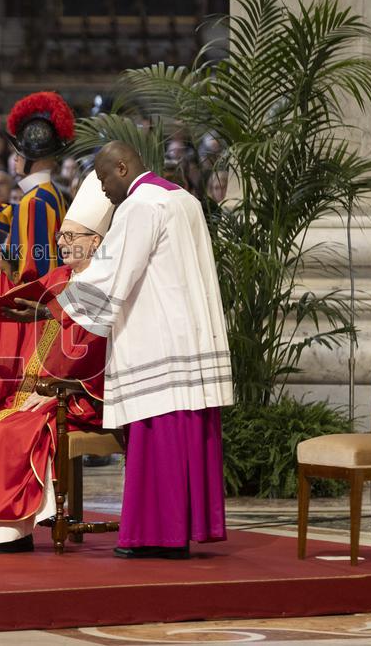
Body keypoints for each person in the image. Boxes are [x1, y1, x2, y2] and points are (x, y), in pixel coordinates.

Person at [47, 142, 233, 558]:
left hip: (157, 338)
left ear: (122, 167)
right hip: (188, 334)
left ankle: (158, 536)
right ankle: (178, 531)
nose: (103, 189)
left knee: (159, 437)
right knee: (181, 433)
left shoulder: (138, 207)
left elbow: (113, 275)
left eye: (102, 177)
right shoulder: (183, 200)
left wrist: (53, 306)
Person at [0, 179, 111, 552]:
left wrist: (56, 392)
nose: (61, 243)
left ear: (96, 241)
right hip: (30, 392)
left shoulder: (103, 284)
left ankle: (13, 532)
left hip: (74, 398)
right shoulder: (57, 279)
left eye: (71, 236)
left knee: (12, 432)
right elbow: (12, 318)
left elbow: (97, 350)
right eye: (60, 236)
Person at [0, 91, 72, 282]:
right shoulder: (48, 193)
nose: (15, 158)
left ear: (34, 158)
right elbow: (18, 218)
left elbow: (35, 266)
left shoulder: (35, 200)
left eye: (20, 153)